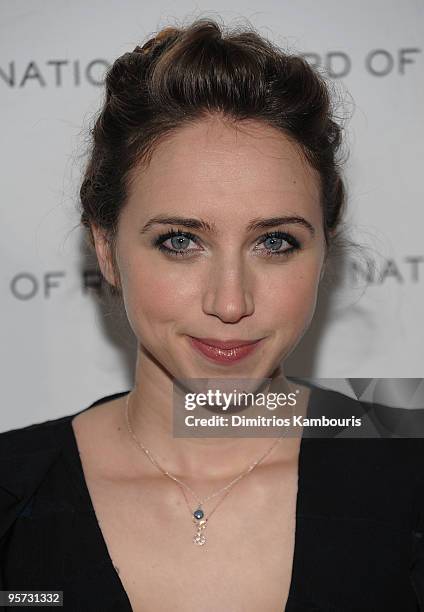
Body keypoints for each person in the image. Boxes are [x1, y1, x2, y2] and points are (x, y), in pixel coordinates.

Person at [1, 17, 423, 612]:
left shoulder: (408, 471)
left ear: (325, 249)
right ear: (106, 250)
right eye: (180, 241)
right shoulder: (13, 490)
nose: (230, 303)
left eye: (275, 242)